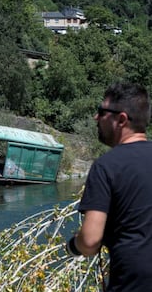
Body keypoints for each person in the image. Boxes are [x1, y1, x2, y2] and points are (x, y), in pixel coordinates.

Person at [66, 83, 152, 291]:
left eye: (102, 112)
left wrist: (72, 246)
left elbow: (90, 240)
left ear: (121, 120)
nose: (96, 117)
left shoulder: (107, 166)